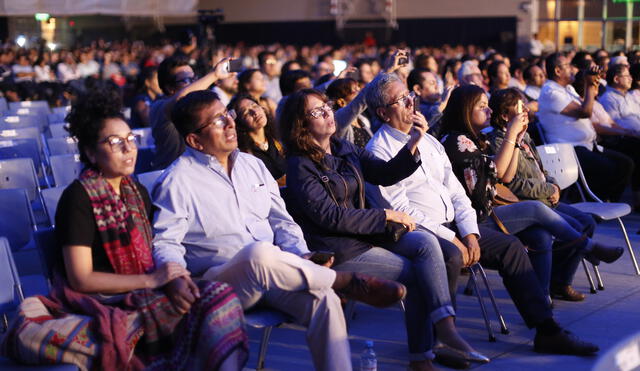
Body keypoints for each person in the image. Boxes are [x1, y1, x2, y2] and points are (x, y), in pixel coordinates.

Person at [152, 89, 405, 371]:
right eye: (217, 121)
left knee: (324, 300)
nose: (230, 123)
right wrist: (173, 275)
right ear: (194, 140)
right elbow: (165, 242)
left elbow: (282, 222)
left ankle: (330, 292)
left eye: (227, 114)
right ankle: (340, 279)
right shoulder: (177, 180)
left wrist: (301, 254)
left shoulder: (252, 165)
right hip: (221, 279)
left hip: (275, 272)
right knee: (257, 253)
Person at [1, 90, 249, 371]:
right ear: (91, 152)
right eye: (115, 142)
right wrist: (153, 281)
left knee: (222, 299)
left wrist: (174, 279)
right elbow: (81, 279)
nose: (128, 148)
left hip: (142, 292)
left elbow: (157, 251)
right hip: (99, 300)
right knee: (158, 326)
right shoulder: (78, 199)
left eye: (130, 140)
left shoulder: (136, 192)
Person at [366, 80, 601, 357]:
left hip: (455, 224)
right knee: (450, 255)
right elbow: (402, 211)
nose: (410, 103)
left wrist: (469, 232)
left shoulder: (428, 140)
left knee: (511, 248)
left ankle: (548, 330)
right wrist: (453, 237)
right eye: (400, 100)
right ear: (382, 113)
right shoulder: (377, 151)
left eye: (409, 95)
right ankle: (438, 343)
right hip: (421, 232)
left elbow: (455, 192)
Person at [282, 86, 488, 371]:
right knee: (417, 274)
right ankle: (423, 357)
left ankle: (445, 326)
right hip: (338, 247)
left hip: (366, 234)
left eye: (327, 106)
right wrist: (385, 216)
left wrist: (414, 142)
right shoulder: (300, 164)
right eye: (317, 111)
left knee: (426, 244)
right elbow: (330, 217)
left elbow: (386, 172)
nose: (329, 113)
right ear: (302, 124)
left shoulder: (344, 148)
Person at [486, 88, 612, 300]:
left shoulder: (525, 136)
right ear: (505, 116)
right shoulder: (498, 141)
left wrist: (554, 186)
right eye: (519, 106)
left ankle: (560, 282)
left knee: (587, 222)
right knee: (568, 229)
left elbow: (541, 170)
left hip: (544, 199)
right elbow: (513, 184)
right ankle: (547, 289)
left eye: (525, 104)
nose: (526, 109)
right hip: (525, 203)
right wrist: (548, 190)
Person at [537, 53, 633, 202]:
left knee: (626, 164)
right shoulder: (550, 91)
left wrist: (593, 83)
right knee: (609, 168)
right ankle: (592, 203)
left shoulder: (567, 88)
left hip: (588, 145)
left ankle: (604, 202)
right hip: (569, 149)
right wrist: (588, 85)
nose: (573, 69)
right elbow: (585, 112)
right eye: (568, 66)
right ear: (557, 71)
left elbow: (586, 105)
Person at [151, 55, 232, 170]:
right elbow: (180, 100)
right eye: (186, 80)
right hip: (170, 173)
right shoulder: (158, 107)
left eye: (194, 79)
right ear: (169, 88)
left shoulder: (198, 107)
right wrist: (214, 75)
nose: (194, 84)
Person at [227, 93, 287, 185]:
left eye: (255, 106)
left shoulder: (277, 139)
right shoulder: (244, 154)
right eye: (246, 112)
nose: (254, 113)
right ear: (240, 124)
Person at [325, 77, 373, 148]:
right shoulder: (338, 118)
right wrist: (385, 73)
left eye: (358, 87)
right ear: (341, 102)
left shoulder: (361, 119)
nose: (359, 91)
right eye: (355, 91)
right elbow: (360, 102)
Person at [407, 67, 455, 138]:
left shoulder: (436, 104)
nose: (437, 86)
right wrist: (443, 103)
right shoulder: (413, 110)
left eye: (436, 82)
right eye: (432, 83)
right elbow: (427, 124)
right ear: (418, 89)